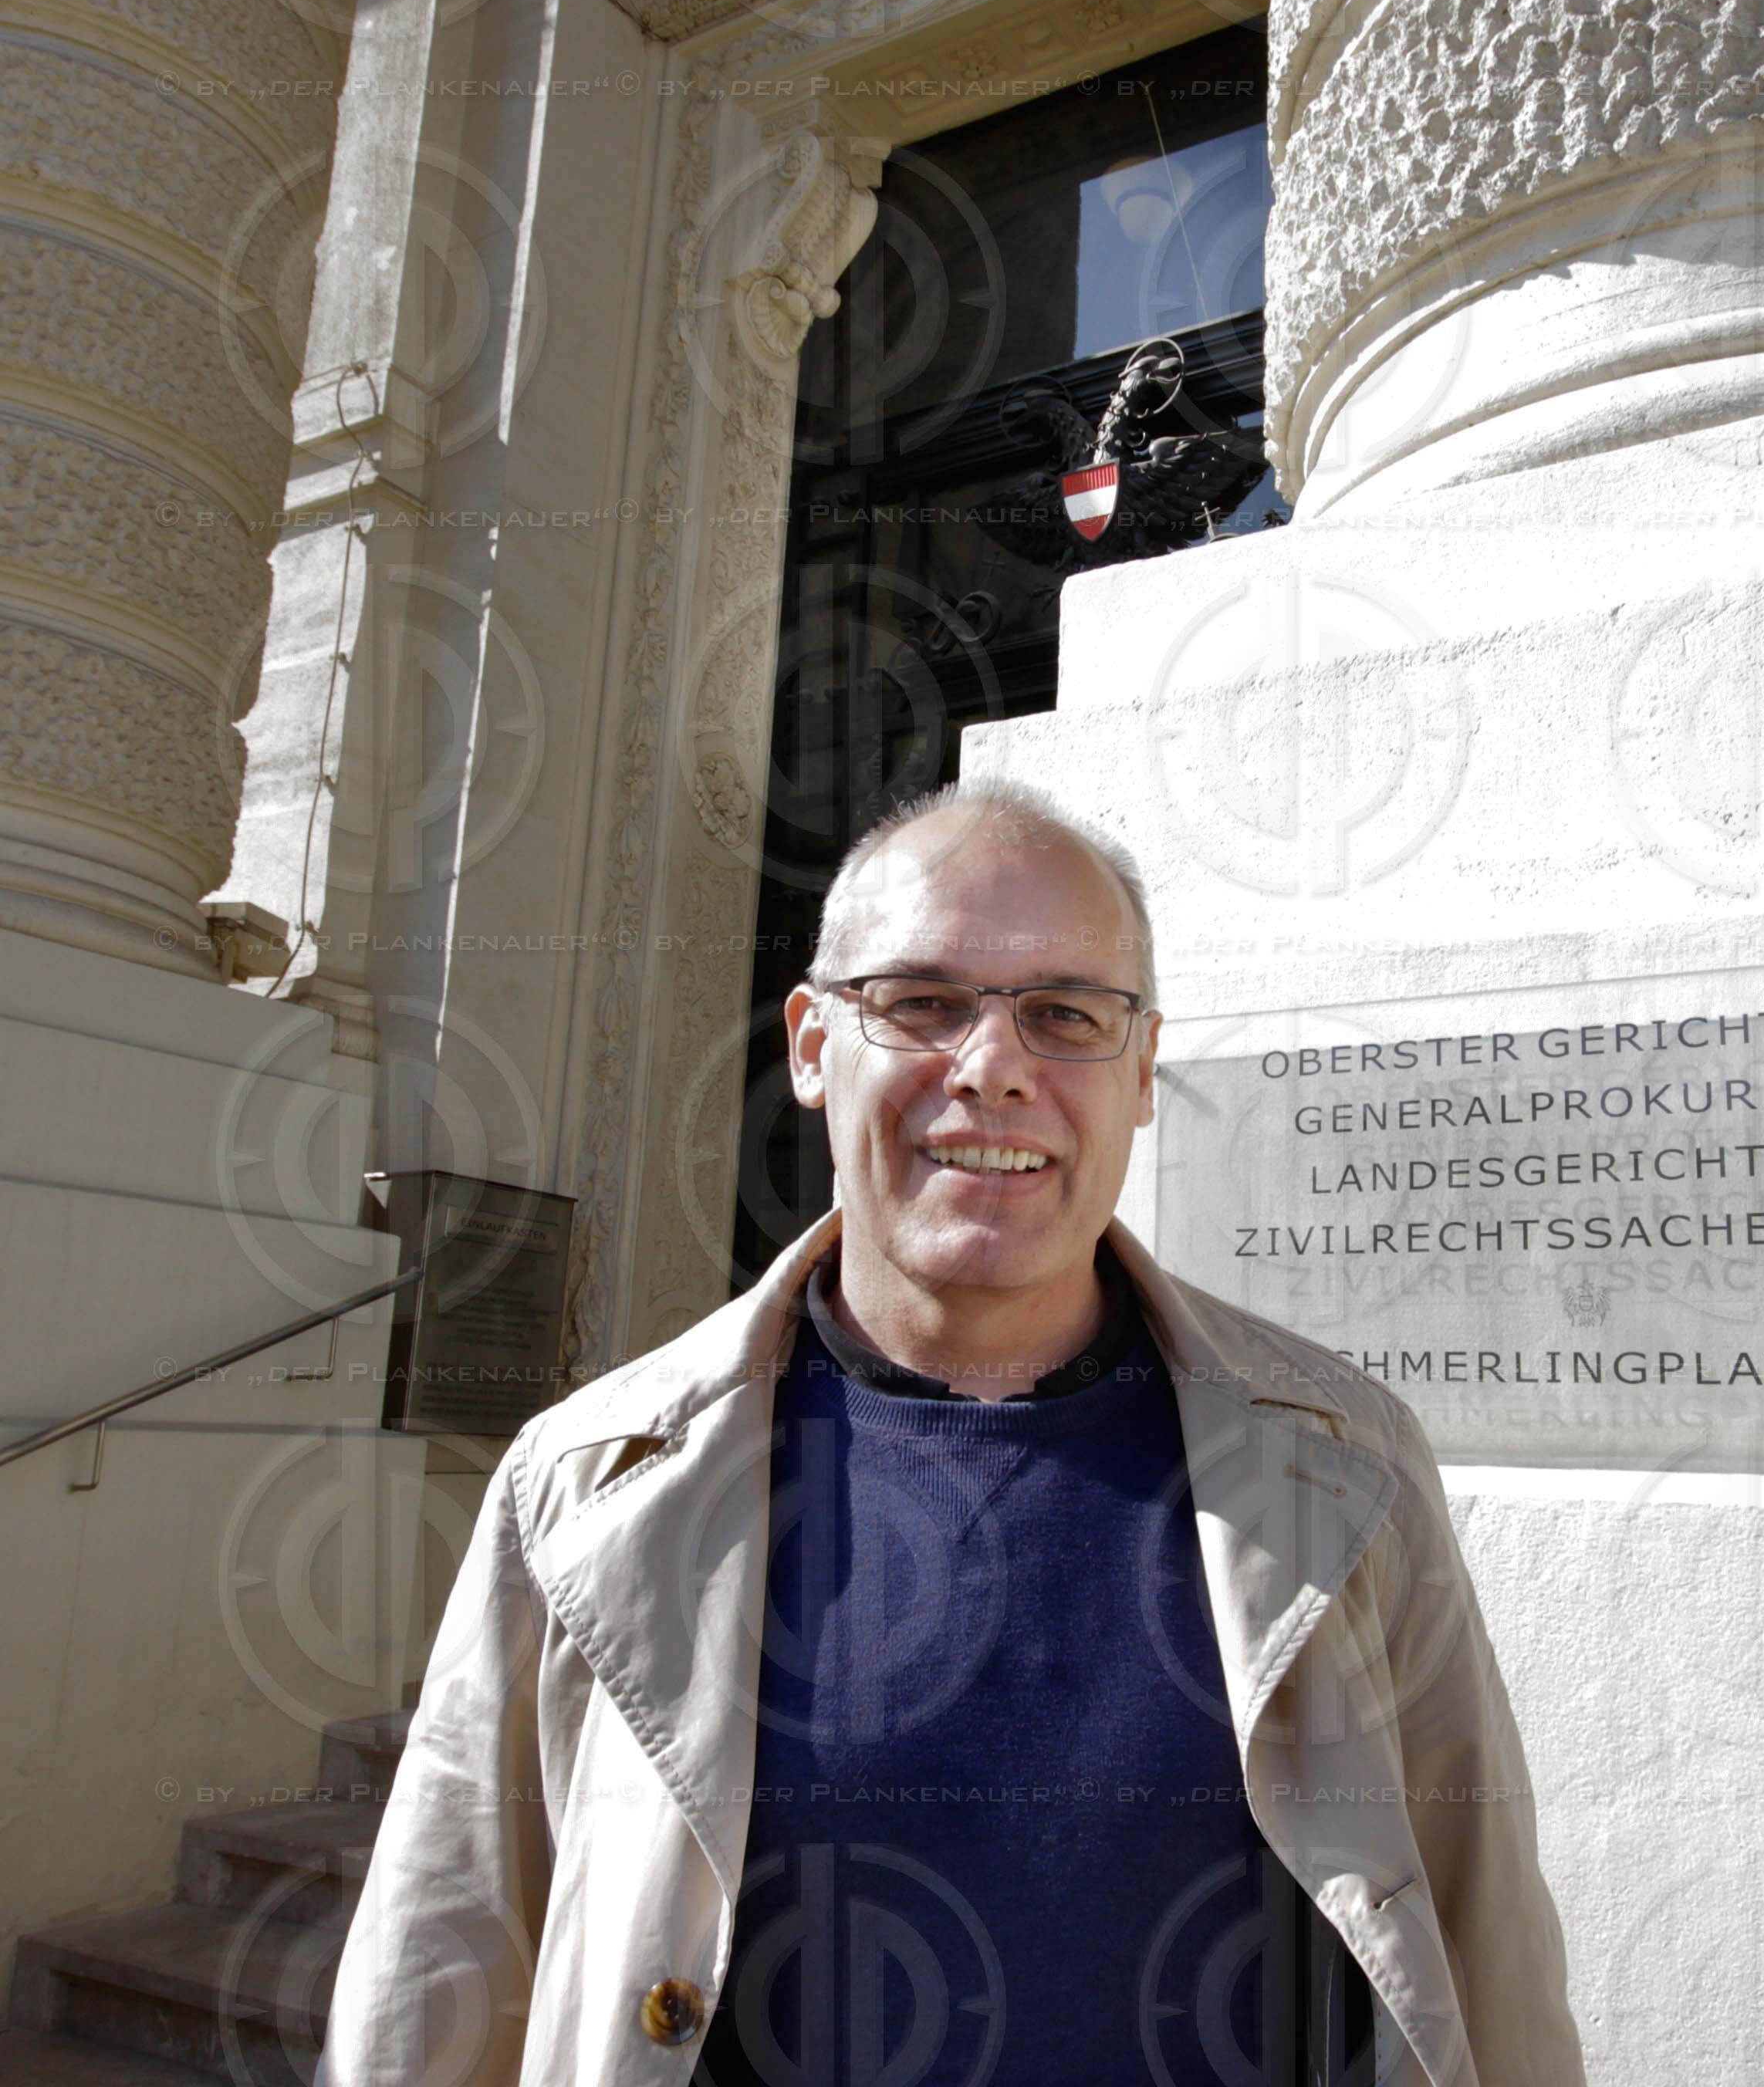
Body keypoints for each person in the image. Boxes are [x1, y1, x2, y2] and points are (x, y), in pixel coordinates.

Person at [322, 781, 1586, 2087]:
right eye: (920, 1003)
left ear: (1143, 1070)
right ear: (813, 1046)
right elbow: (445, 1966)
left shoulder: (1346, 1459)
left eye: (1067, 1014)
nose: (993, 1067)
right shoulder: (585, 1483)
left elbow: (1482, 1937)